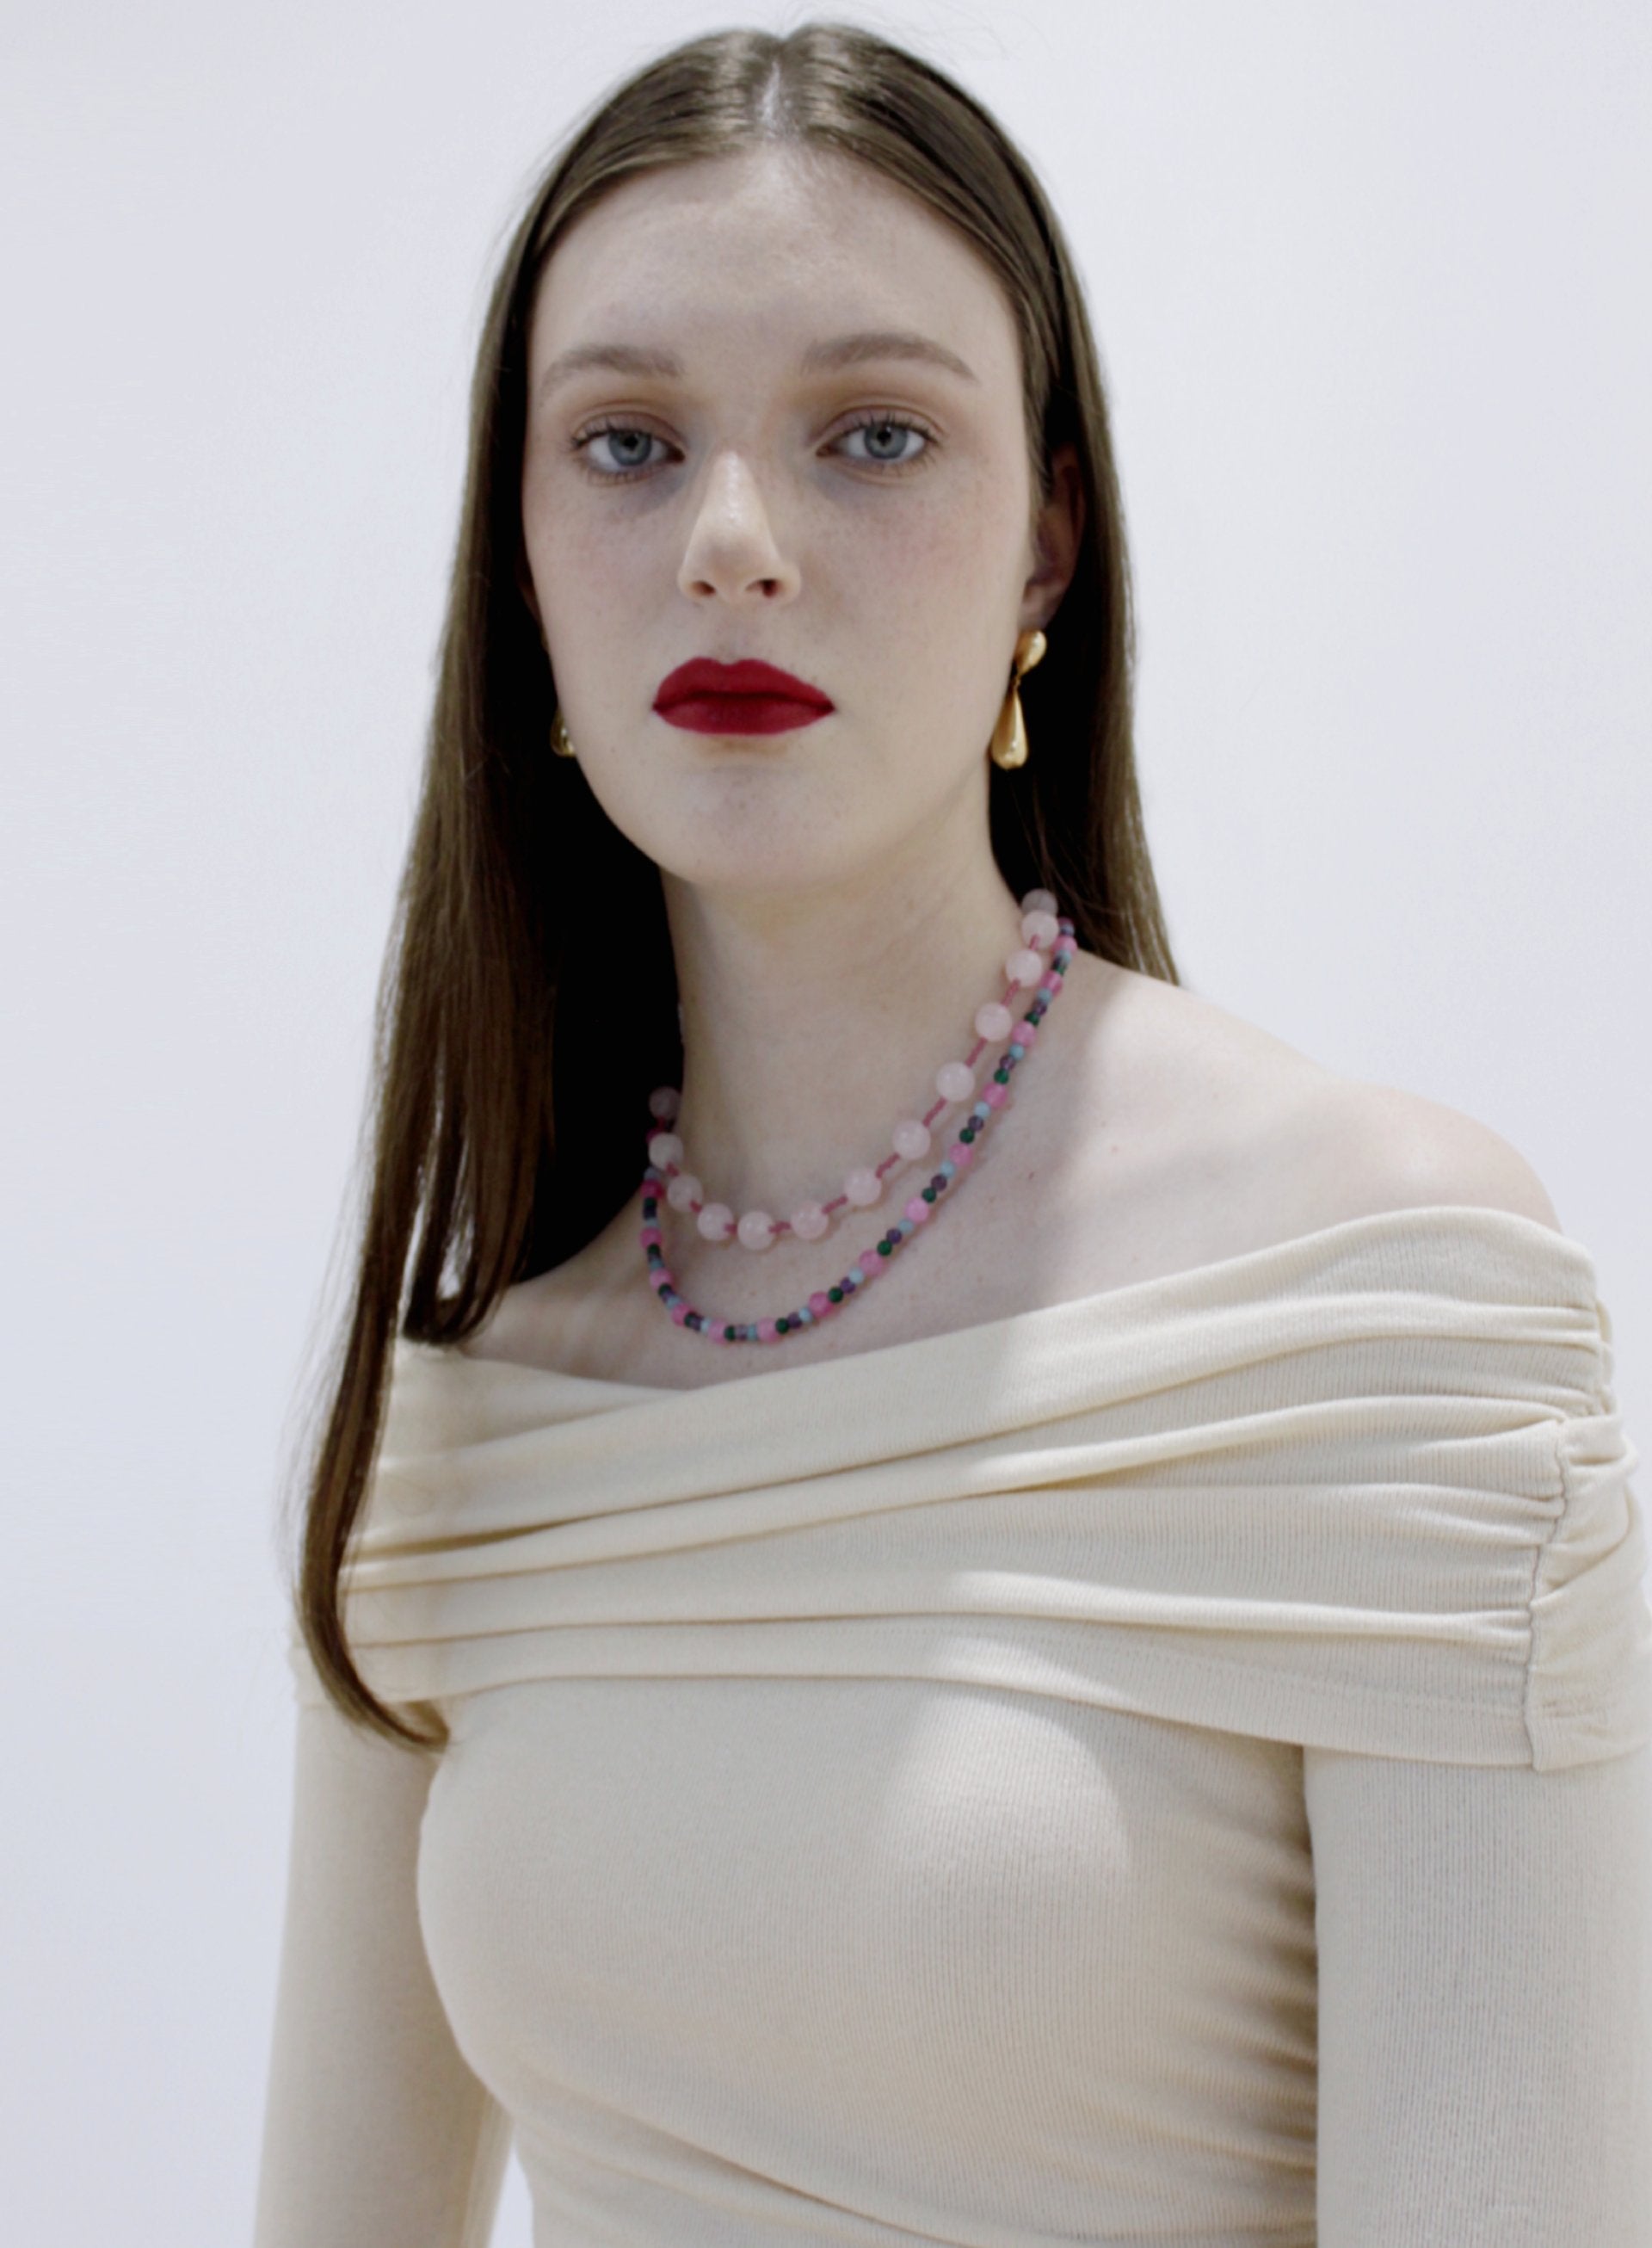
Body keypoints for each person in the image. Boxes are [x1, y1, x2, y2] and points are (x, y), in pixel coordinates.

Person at [254, 24, 1652, 2246]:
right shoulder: (472, 1416)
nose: (731, 540)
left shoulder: (1379, 1294)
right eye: (623, 442)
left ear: (1046, 542)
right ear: (517, 558)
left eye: (872, 433)